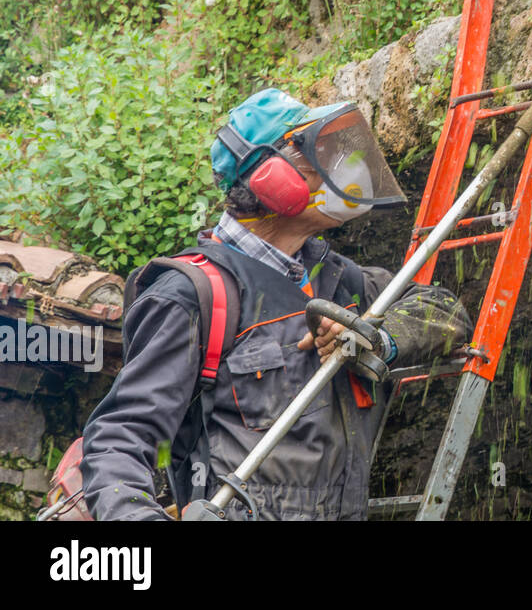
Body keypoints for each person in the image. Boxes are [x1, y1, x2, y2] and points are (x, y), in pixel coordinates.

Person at [81, 88, 470, 520]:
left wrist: (378, 338)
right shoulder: (195, 295)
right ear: (272, 177)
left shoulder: (340, 281)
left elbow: (444, 310)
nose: (339, 169)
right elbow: (120, 437)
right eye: (317, 155)